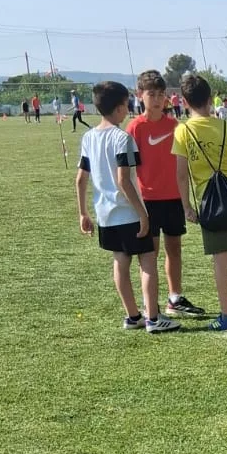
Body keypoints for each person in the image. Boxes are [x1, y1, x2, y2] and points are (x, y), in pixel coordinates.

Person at [76, 80, 179, 333]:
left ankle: (133, 316)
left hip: (105, 215)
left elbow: (80, 179)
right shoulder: (123, 138)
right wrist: (142, 214)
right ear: (122, 106)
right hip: (128, 212)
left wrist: (83, 213)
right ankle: (154, 319)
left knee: (120, 262)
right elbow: (124, 180)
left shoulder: (89, 137)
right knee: (147, 262)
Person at [173, 72, 227, 330]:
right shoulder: (226, 126)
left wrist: (186, 206)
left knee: (221, 261)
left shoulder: (182, 131)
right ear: (211, 99)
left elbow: (180, 174)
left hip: (208, 201)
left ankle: (226, 316)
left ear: (185, 102)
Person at [127, 69, 204, 317]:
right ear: (140, 95)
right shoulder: (135, 128)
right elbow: (127, 170)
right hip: (147, 201)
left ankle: (175, 298)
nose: (158, 99)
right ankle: (151, 304)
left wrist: (186, 202)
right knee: (150, 255)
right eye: (152, 94)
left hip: (173, 198)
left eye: (161, 94)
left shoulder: (175, 126)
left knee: (175, 248)